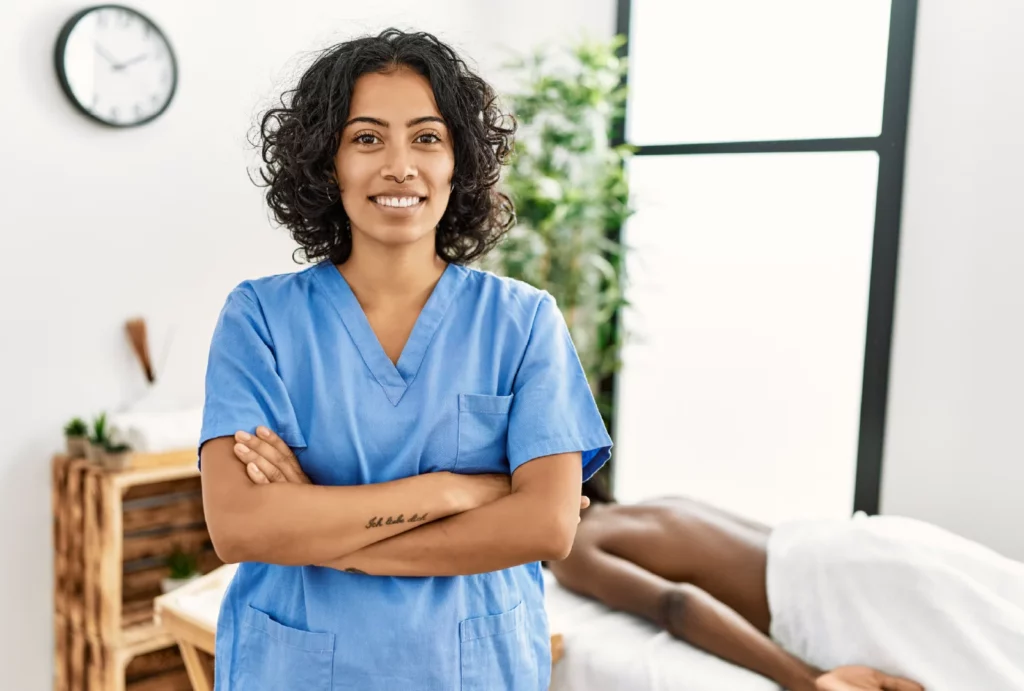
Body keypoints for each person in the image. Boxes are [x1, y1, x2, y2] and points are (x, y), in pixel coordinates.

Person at [197, 29, 611, 691]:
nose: (399, 165)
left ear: (459, 161)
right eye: (367, 138)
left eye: (426, 137)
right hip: (296, 670)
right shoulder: (260, 319)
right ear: (326, 161)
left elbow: (549, 522)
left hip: (471, 670)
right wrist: (453, 492)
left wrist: (324, 528)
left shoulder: (523, 321)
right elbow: (241, 524)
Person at [545, 475, 1024, 691]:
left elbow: (676, 605)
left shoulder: (573, 547)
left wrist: (807, 679)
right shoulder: (649, 504)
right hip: (864, 545)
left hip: (830, 593)